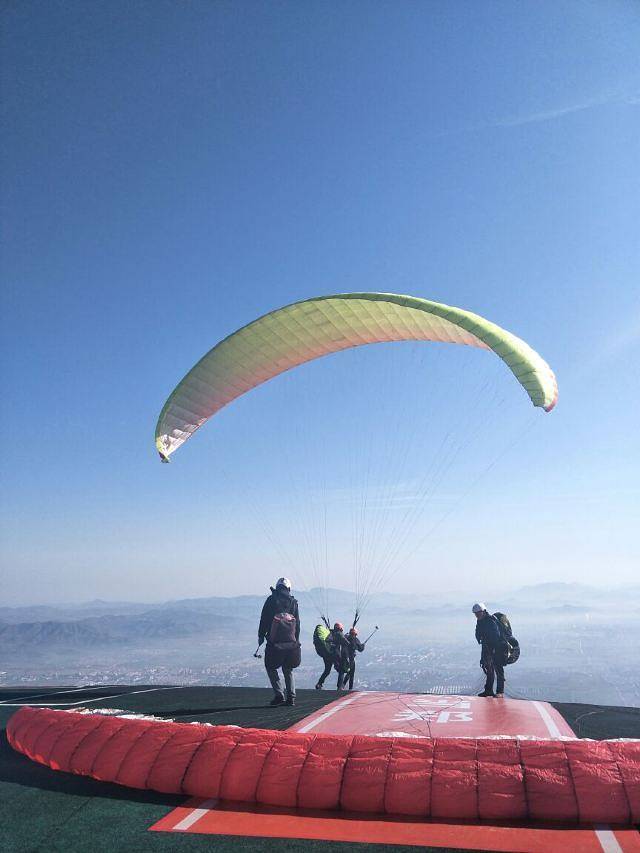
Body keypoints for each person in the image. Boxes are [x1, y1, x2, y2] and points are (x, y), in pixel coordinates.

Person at [258, 578, 300, 706]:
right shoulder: (293, 602)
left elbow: (264, 619)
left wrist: (260, 636)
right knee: (288, 669)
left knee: (270, 667)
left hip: (274, 642)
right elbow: (297, 623)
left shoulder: (271, 600)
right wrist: (296, 640)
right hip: (291, 642)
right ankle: (291, 697)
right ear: (288, 588)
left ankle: (279, 695)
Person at [473, 602, 504, 697]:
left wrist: (494, 649)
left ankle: (500, 692)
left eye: (478, 613)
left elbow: (496, 637)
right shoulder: (481, 622)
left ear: (483, 611)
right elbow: (481, 637)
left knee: (498, 669)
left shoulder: (491, 621)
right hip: (487, 648)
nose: (477, 615)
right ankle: (488, 690)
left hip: (496, 649)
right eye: (476, 614)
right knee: (489, 669)